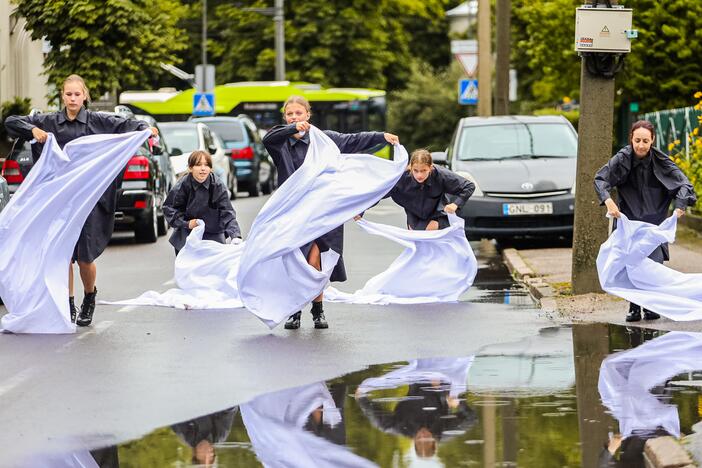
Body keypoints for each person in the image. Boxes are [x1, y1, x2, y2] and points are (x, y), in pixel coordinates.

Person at [4, 74, 158, 327]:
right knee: (62, 254)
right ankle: (68, 302)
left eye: (77, 94)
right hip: (60, 201)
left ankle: (89, 296)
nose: (73, 98)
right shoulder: (49, 121)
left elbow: (127, 125)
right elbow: (11, 121)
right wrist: (32, 129)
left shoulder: (98, 121)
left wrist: (143, 129)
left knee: (85, 257)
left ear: (84, 95)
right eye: (68, 94)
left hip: (90, 201)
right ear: (62, 96)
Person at [262, 95, 399, 330]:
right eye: (290, 114)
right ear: (285, 117)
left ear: (308, 115)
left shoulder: (324, 140)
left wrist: (381, 137)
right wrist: (292, 128)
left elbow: (353, 141)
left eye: (299, 113)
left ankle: (314, 311)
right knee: (298, 261)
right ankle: (299, 310)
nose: (295, 117)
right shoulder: (281, 142)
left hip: (324, 210)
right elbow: (268, 138)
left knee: (318, 260)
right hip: (295, 213)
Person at [594, 120, 697, 322]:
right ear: (631, 139)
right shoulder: (623, 158)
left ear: (653, 141)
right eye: (637, 140)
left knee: (651, 264)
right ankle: (634, 307)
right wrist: (608, 201)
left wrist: (680, 205)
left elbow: (685, 184)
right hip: (629, 220)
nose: (641, 145)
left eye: (646, 141)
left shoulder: (662, 161)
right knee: (630, 263)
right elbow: (600, 178)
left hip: (654, 220)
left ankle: (650, 305)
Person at [364, 148, 474, 230]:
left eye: (423, 171)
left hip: (437, 213)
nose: (419, 175)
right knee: (416, 240)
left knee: (431, 231)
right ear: (410, 168)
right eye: (416, 171)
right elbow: (379, 193)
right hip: (414, 214)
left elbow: (469, 186)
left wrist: (455, 204)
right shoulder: (401, 179)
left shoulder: (441, 174)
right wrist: (361, 210)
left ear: (430, 168)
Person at [162, 150, 241, 255]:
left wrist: (235, 236)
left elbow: (227, 212)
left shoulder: (217, 185)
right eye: (198, 165)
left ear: (211, 169)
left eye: (207, 165)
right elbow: (168, 208)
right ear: (190, 168)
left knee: (214, 268)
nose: (203, 169)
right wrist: (186, 223)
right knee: (188, 268)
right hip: (187, 234)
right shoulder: (183, 185)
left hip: (213, 234)